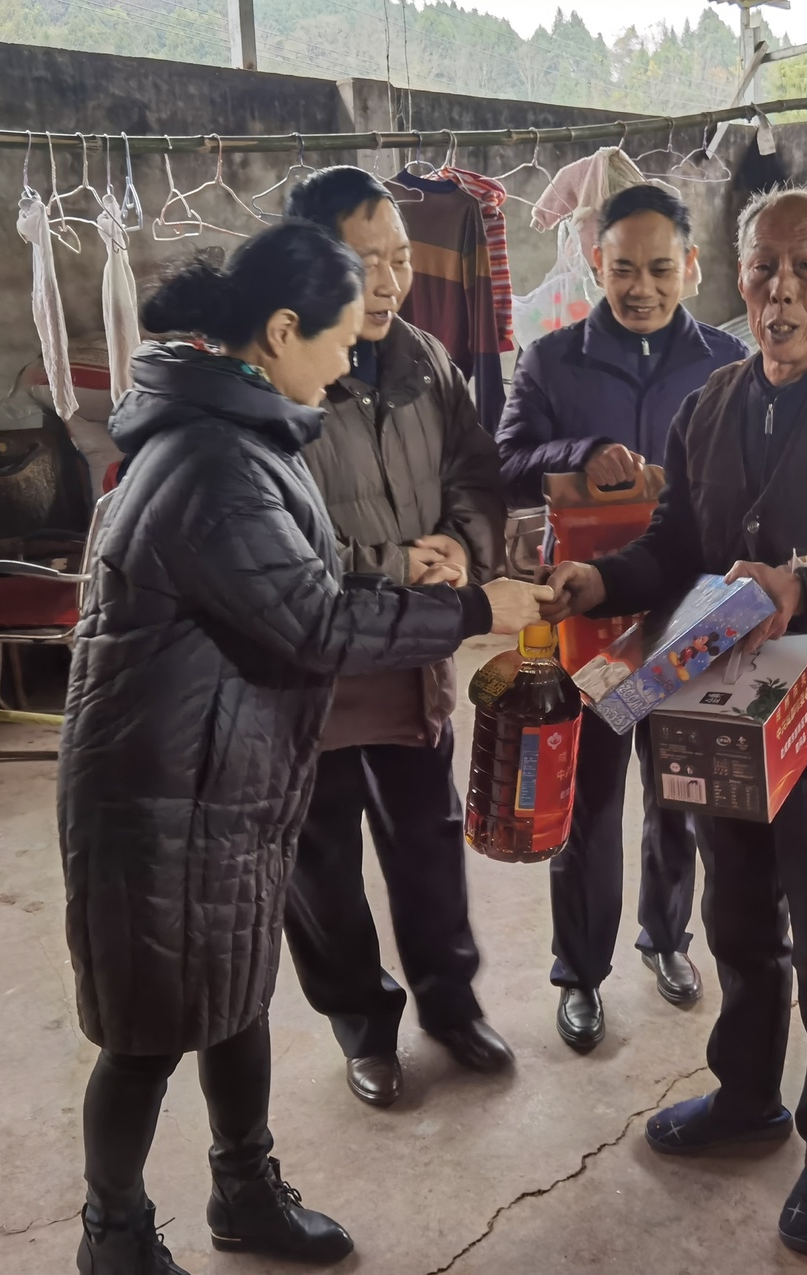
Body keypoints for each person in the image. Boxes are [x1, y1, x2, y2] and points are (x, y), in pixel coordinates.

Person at [58, 220, 549, 1275]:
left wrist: (411, 575)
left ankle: (244, 1191)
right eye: (336, 340)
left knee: (233, 1000)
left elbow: (296, 588)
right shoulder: (211, 462)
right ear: (282, 331)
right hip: (161, 797)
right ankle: (114, 1239)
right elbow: (314, 625)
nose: (343, 365)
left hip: (221, 780)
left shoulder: (236, 437)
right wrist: (473, 609)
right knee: (146, 1036)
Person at [542, 188, 807, 1258]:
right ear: (737, 276)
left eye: (805, 268)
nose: (780, 291)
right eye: (764, 269)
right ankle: (745, 1096)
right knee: (735, 919)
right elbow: (676, 546)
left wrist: (803, 589)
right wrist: (602, 579)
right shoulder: (710, 404)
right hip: (724, 717)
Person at [495, 183, 747, 1052]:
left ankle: (667, 937)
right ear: (595, 263)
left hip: (688, 616)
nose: (642, 287)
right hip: (589, 617)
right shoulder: (551, 360)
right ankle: (580, 971)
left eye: (661, 269)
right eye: (625, 268)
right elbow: (508, 460)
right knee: (590, 799)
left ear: (692, 266)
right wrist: (580, 453)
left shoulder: (727, 363)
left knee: (679, 789)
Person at [279, 166, 511, 1109]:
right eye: (362, 262)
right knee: (322, 858)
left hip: (412, 656)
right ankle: (363, 1027)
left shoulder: (425, 361)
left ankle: (450, 1005)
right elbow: (280, 548)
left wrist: (460, 544)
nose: (386, 283)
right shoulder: (282, 376)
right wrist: (395, 562)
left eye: (400, 260)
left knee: (428, 838)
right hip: (313, 671)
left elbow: (477, 471)